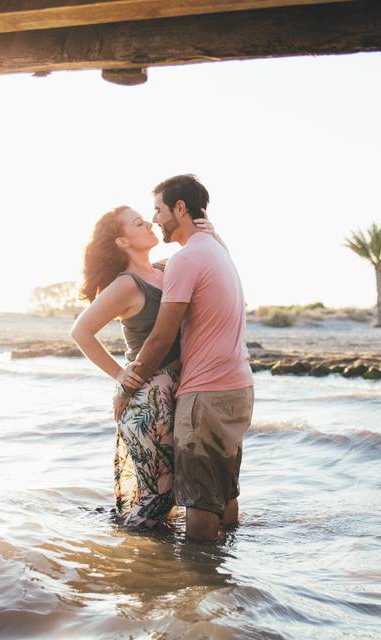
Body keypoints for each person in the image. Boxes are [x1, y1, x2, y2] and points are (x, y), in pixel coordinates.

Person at [117, 175, 254, 542]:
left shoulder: (187, 259)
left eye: (159, 210)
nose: (155, 219)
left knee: (198, 501)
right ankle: (228, 580)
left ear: (180, 208)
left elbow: (161, 336)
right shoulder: (217, 252)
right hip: (239, 387)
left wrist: (127, 384)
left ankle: (197, 584)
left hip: (205, 394)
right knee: (224, 493)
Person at [69, 205, 221, 529]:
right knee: (156, 501)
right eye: (138, 223)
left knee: (168, 498)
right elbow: (80, 332)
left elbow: (213, 264)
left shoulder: (167, 270)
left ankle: (145, 567)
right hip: (147, 401)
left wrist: (211, 234)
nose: (150, 224)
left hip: (177, 393)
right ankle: (132, 571)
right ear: (123, 243)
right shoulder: (127, 285)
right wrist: (120, 374)